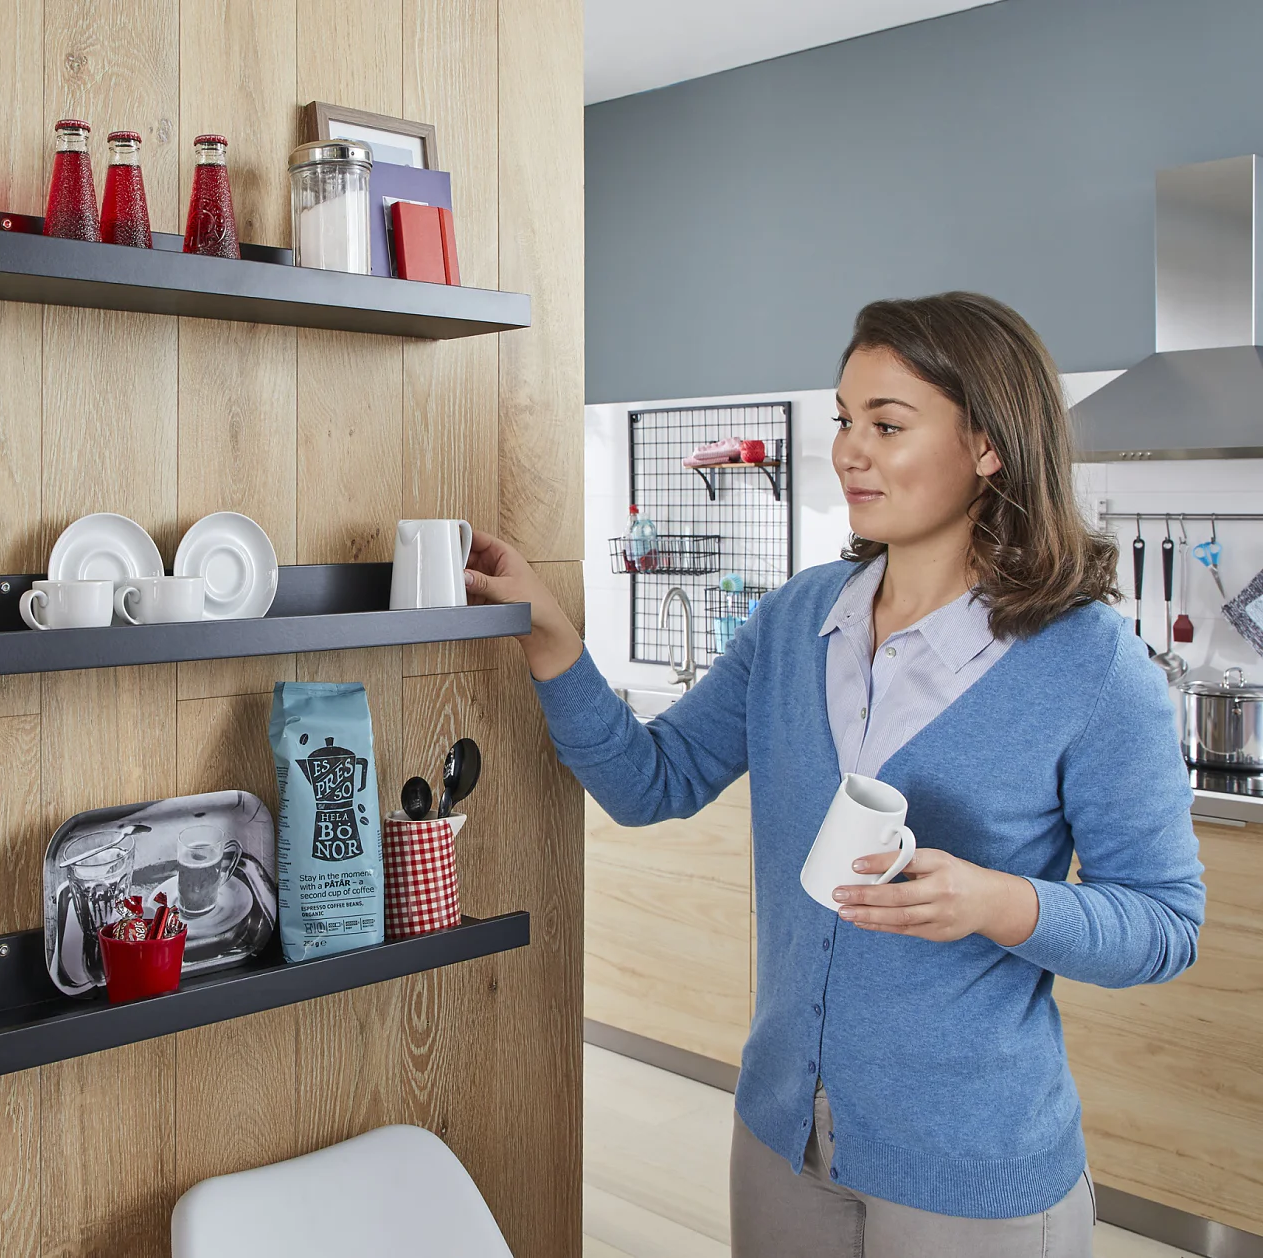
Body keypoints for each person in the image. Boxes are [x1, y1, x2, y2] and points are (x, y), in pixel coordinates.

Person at [466, 292, 1205, 1258]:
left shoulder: (1090, 663)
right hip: (779, 1136)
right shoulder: (794, 619)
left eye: (887, 425)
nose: (849, 450)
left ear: (988, 445)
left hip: (972, 1172)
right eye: (845, 421)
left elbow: (1165, 924)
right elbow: (653, 782)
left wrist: (998, 902)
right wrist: (554, 641)